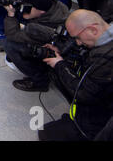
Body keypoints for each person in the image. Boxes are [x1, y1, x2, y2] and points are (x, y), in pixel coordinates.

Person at [39, 9, 113, 141]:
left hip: (98, 123)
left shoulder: (107, 58)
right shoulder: (105, 39)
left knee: (47, 134)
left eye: (78, 37)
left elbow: (83, 93)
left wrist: (59, 65)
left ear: (93, 30)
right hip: (98, 107)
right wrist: (61, 54)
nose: (78, 42)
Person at [3, 0, 69, 92]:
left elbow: (12, 35)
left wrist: (11, 14)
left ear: (41, 12)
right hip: (53, 44)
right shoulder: (49, 3)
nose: (25, 8)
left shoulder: (41, 29)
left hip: (54, 54)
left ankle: (40, 80)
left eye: (29, 7)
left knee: (10, 44)